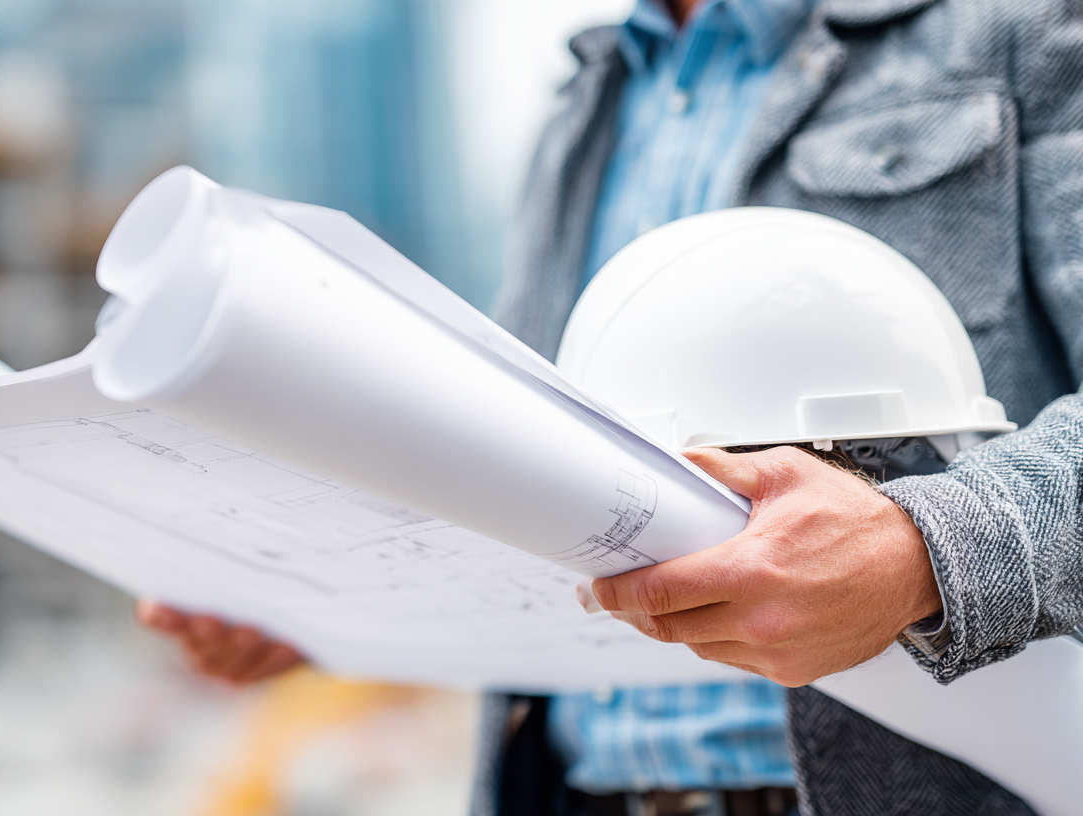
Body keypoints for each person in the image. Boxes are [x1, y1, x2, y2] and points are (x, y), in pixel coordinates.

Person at [140, 0, 1083, 814]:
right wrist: (315, 601)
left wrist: (925, 550)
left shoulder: (1018, 29)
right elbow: (541, 471)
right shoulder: (588, 98)